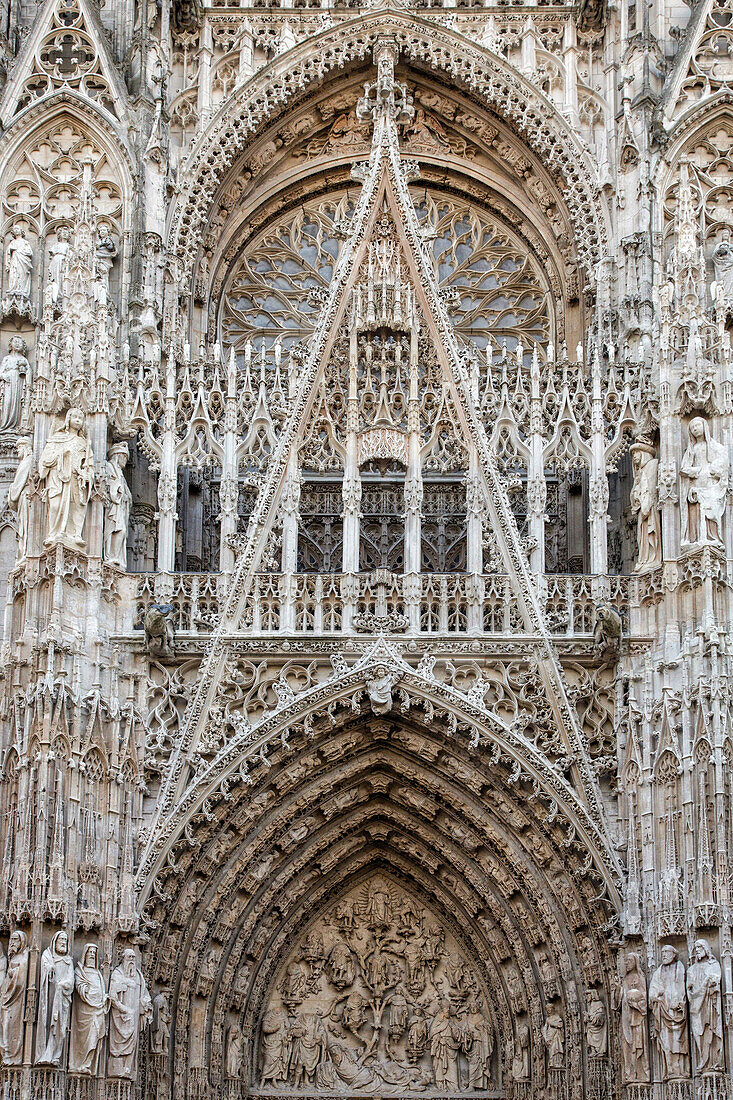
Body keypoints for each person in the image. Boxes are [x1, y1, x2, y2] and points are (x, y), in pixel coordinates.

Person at [38, 408, 94, 548]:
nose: (77, 420)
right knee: (55, 505)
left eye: (80, 418)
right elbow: (45, 460)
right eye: (74, 416)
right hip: (57, 478)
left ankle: (75, 535)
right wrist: (61, 455)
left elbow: (89, 465)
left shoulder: (84, 443)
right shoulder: (57, 438)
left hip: (76, 479)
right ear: (68, 419)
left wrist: (86, 474)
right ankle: (53, 534)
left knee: (76, 507)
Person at [680, 417, 729, 546]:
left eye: (697, 426)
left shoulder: (714, 446)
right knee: (696, 510)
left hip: (710, 483)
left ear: (705, 426)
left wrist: (714, 470)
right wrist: (694, 471)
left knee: (711, 509)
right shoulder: (692, 449)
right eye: (692, 428)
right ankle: (695, 538)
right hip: (696, 483)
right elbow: (684, 467)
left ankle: (712, 537)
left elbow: (723, 461)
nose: (695, 429)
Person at [107, 949, 152, 1078]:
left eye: (133, 957)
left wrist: (146, 1004)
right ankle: (116, 1070)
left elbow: (144, 994)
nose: (132, 960)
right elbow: (112, 996)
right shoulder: (117, 974)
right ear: (123, 958)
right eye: (129, 957)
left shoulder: (138, 975)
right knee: (118, 1043)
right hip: (121, 1015)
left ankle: (128, 1067)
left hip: (135, 1014)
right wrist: (123, 1009)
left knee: (133, 1043)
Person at [649, 945, 689, 1080]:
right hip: (662, 1011)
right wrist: (656, 996)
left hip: (676, 1012)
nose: (664, 955)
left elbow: (682, 988)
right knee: (666, 1042)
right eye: (662, 952)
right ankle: (670, 1070)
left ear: (674, 954)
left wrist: (679, 1003)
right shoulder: (658, 972)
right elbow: (653, 992)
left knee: (679, 1041)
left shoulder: (679, 967)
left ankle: (681, 1070)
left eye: (667, 952)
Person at [37, 929, 74, 1065]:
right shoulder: (48, 956)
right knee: (46, 1024)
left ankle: (55, 1055)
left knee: (60, 1029)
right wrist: (49, 968)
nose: (63, 942)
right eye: (61, 939)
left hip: (62, 998)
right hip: (49, 996)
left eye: (65, 940)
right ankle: (45, 1053)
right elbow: (45, 966)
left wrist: (63, 985)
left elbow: (71, 980)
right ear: (55, 942)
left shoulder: (69, 961)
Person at [686, 939, 723, 1074]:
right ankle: (703, 1059)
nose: (697, 950)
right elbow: (689, 989)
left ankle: (715, 1061)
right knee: (698, 1033)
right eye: (695, 948)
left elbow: (716, 979)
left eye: (700, 947)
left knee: (712, 1030)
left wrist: (710, 982)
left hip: (711, 1003)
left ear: (706, 948)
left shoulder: (713, 965)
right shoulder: (692, 969)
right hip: (697, 1007)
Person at [70, 943, 107, 1074]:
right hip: (84, 1011)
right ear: (84, 954)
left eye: (94, 953)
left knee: (95, 1036)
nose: (91, 955)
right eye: (89, 952)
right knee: (84, 1038)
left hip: (98, 1011)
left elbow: (102, 990)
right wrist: (87, 992)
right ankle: (79, 1063)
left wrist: (104, 999)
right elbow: (80, 988)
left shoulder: (98, 973)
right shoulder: (80, 971)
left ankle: (88, 1064)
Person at [0, 931, 29, 1065]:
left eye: (16, 940)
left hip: (18, 998)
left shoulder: (25, 957)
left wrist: (13, 972)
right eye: (11, 940)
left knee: (10, 1025)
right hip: (6, 996)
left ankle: (12, 1055)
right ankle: (6, 1053)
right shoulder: (11, 957)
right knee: (4, 1024)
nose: (12, 943)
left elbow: (22, 977)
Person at [104, 443, 132, 568]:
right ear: (117, 456)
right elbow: (108, 485)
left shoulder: (120, 473)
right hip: (113, 506)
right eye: (124, 457)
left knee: (121, 531)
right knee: (118, 530)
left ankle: (115, 558)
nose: (125, 461)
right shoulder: (109, 467)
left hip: (120, 506)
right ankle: (111, 557)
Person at [0, 337, 29, 432]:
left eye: (20, 342)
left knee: (16, 403)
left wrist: (26, 372)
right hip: (8, 382)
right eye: (15, 342)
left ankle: (15, 425)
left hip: (19, 382)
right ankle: (5, 425)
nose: (17, 344)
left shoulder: (23, 359)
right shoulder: (7, 359)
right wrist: (3, 376)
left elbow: (30, 373)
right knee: (7, 402)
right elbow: (1, 372)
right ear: (10, 345)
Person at [5, 226, 33, 301]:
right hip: (14, 261)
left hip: (22, 261)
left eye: (17, 229)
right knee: (14, 274)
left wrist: (20, 251)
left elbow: (30, 253)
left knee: (21, 274)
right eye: (14, 229)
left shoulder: (25, 242)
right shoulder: (12, 242)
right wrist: (10, 250)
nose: (16, 230)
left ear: (21, 231)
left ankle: (21, 288)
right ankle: (13, 288)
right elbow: (8, 253)